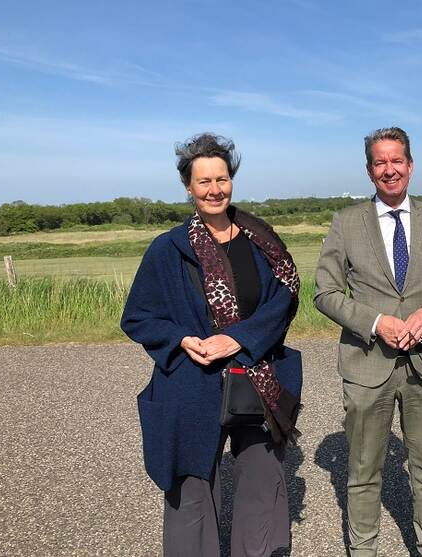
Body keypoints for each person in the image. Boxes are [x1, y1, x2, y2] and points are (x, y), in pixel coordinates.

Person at [121, 133, 301, 557]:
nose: (215, 189)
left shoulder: (262, 241)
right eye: (204, 182)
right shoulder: (168, 249)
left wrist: (235, 339)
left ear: (231, 180)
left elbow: (283, 299)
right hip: (192, 384)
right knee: (193, 490)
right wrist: (182, 339)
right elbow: (138, 317)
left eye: (221, 179)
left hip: (256, 377)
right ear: (188, 187)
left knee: (260, 481)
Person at [314, 127, 422, 556]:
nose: (389, 169)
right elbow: (325, 292)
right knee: (363, 471)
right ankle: (363, 549)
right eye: (380, 162)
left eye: (396, 160)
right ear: (369, 170)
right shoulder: (346, 223)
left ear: (411, 166)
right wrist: (376, 321)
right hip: (366, 365)